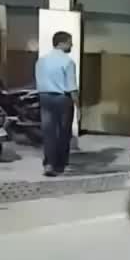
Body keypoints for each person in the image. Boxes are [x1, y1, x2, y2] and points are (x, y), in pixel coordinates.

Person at [34, 31, 78, 177]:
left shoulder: (41, 60)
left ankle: (49, 163)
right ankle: (60, 164)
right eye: (69, 42)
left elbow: (39, 81)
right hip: (62, 99)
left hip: (44, 97)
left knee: (48, 132)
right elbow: (72, 86)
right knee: (64, 132)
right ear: (61, 43)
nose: (72, 44)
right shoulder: (68, 62)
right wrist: (78, 105)